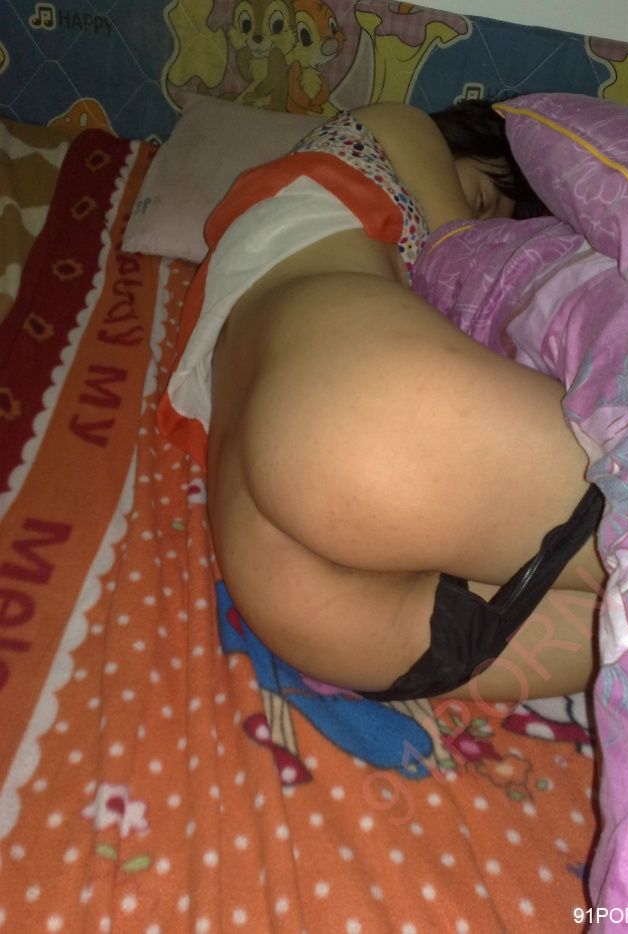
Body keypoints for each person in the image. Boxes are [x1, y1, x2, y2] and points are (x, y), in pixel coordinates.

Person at [158, 100, 605, 704]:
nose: (487, 225)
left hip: (285, 590)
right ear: (459, 140)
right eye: (480, 197)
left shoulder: (246, 257)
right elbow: (471, 252)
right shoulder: (388, 127)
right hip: (352, 414)